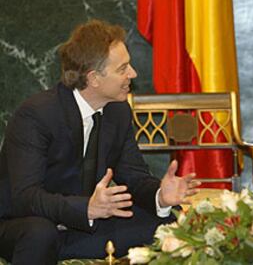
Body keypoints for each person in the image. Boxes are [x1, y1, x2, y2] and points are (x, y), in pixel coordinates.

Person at [0, 19, 200, 265]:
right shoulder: (36, 114)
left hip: (84, 224)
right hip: (22, 224)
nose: (133, 74)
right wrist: (86, 209)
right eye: (122, 68)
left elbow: (134, 177)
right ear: (94, 78)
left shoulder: (118, 112)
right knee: (40, 233)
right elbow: (26, 197)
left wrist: (160, 195)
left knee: (170, 222)